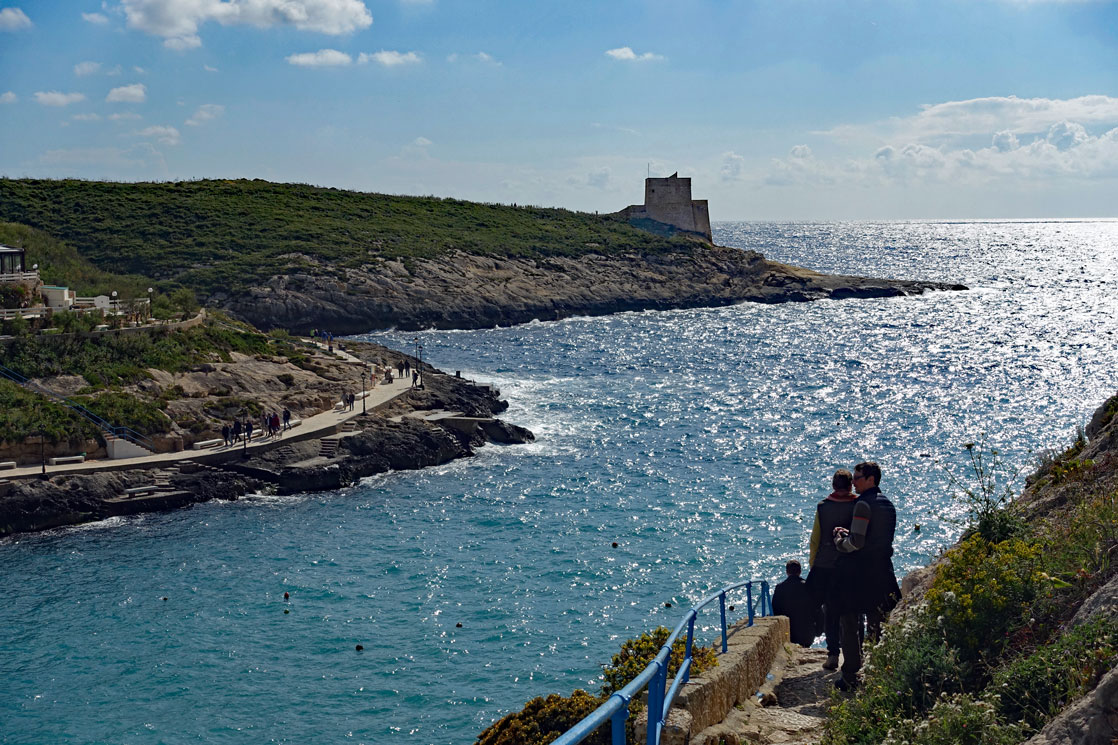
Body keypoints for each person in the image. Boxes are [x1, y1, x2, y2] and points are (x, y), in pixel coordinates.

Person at [831, 461, 901, 690]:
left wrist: (840, 541)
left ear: (871, 479)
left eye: (857, 478)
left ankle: (851, 675)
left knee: (849, 622)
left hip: (859, 574)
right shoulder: (888, 505)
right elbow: (876, 537)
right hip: (883, 571)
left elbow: (857, 543)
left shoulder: (862, 504)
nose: (853, 482)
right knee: (878, 624)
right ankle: (877, 672)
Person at [806, 469, 859, 671]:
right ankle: (856, 653)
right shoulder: (857, 504)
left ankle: (833, 654)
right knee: (853, 610)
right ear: (851, 485)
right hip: (851, 564)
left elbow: (815, 539)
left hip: (826, 565)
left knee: (831, 611)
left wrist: (813, 564)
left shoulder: (822, 507)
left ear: (833, 485)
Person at [772, 560, 821, 647]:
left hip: (788, 631)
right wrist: (819, 629)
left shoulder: (780, 588)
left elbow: (775, 610)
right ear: (800, 571)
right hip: (807, 632)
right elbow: (818, 608)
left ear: (787, 572)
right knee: (806, 646)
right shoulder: (809, 586)